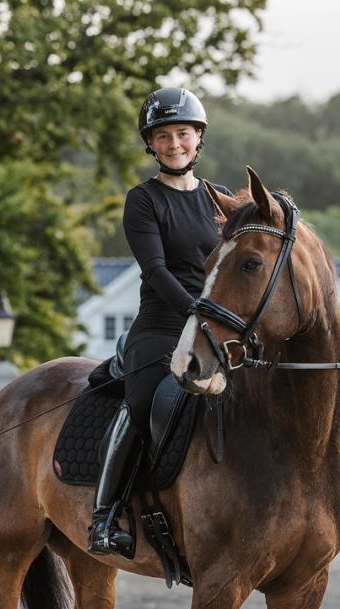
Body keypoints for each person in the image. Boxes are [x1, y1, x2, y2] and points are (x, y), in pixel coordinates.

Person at [87, 87, 231, 556]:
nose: (174, 143)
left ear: (199, 138)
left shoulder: (221, 199)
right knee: (144, 404)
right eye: (163, 136)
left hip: (220, 329)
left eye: (183, 133)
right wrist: (199, 310)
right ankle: (105, 515)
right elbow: (156, 271)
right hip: (164, 327)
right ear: (151, 144)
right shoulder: (143, 200)